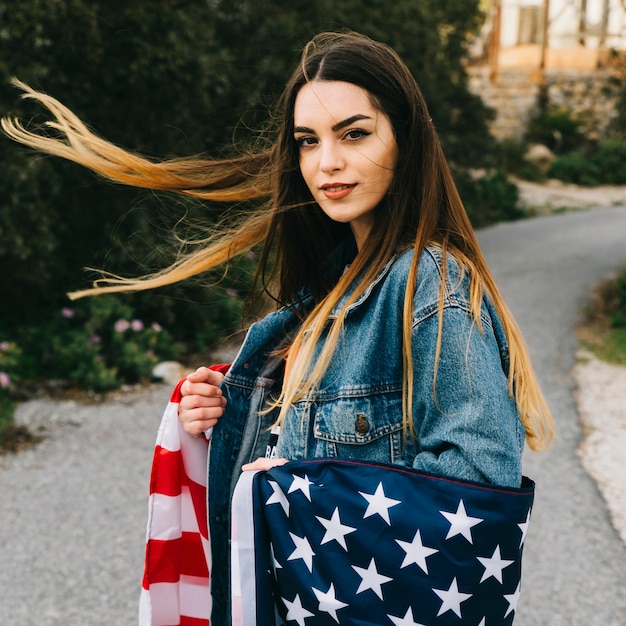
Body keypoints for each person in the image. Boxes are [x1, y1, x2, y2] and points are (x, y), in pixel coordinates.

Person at [2, 31, 553, 625]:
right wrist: (230, 414)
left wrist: (303, 490)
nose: (327, 163)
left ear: (406, 142)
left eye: (355, 134)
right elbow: (321, 448)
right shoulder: (331, 291)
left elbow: (476, 489)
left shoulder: (433, 287)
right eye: (307, 142)